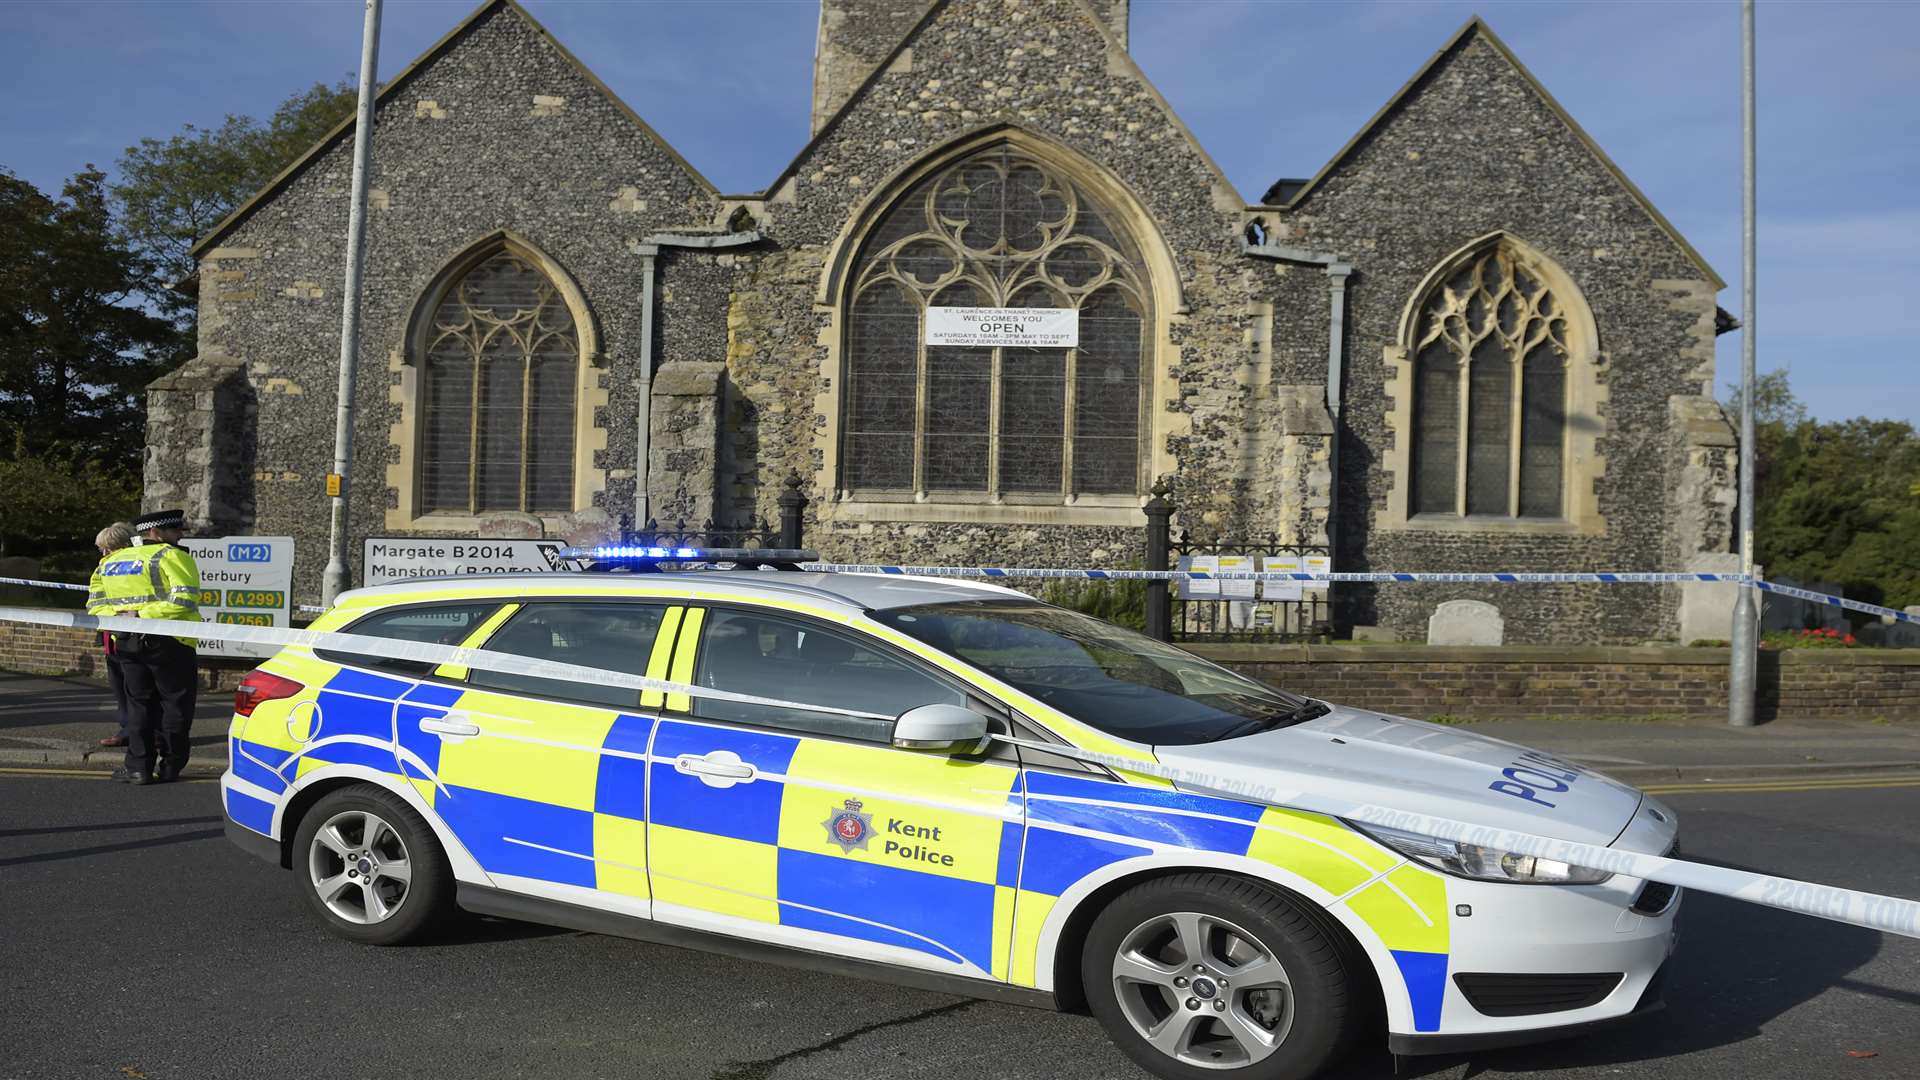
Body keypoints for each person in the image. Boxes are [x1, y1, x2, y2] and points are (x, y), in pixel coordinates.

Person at [86, 509, 202, 785]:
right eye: (176, 531)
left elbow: (95, 606)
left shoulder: (110, 562)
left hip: (126, 641)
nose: (181, 535)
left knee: (139, 705)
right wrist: (142, 616)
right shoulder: (172, 556)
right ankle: (171, 765)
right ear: (154, 533)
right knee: (175, 704)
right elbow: (184, 601)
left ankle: (138, 768)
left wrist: (124, 618)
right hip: (170, 641)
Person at [88, 521, 136, 749]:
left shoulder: (139, 566)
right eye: (102, 550)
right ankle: (126, 730)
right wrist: (114, 615)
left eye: (110, 548)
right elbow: (96, 602)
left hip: (138, 638)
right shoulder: (103, 568)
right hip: (113, 636)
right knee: (120, 688)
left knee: (139, 690)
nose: (105, 554)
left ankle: (148, 733)